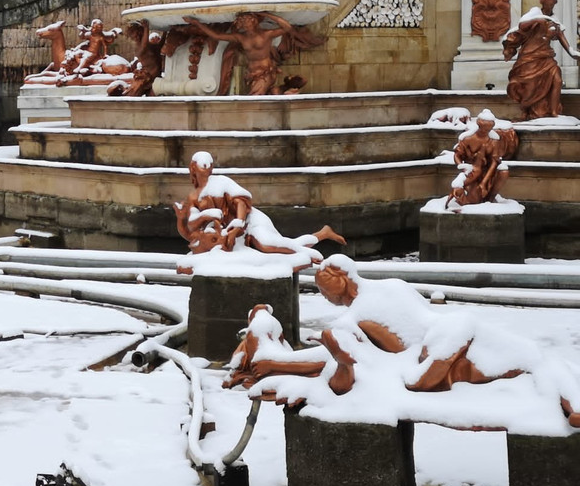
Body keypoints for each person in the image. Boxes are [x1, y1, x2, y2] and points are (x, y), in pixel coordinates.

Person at [226, 255, 580, 426]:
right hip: (450, 337)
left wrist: (272, 362)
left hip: (443, 350)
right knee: (531, 359)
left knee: (529, 361)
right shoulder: (391, 285)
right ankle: (572, 403)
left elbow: (326, 357)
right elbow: (336, 357)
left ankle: (572, 404)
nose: (325, 296)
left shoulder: (354, 317)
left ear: (342, 281)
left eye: (324, 289)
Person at [174, 151, 344, 259]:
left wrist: (239, 222)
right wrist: (195, 216)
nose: (206, 166)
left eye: (208, 164)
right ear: (193, 167)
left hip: (251, 220)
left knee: (267, 245)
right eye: (202, 164)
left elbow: (240, 201)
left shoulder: (222, 182)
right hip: (231, 232)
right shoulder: (193, 196)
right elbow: (191, 226)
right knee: (279, 244)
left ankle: (307, 253)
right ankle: (322, 234)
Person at [184, 11, 322, 95]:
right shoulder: (241, 38)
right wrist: (197, 23)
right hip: (252, 74)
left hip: (265, 72)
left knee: (256, 97)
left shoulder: (267, 35)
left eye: (248, 22)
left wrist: (267, 15)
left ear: (255, 22)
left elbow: (287, 27)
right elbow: (217, 36)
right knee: (261, 95)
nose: (245, 25)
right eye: (243, 23)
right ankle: (277, 94)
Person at [503, 0, 579, 120]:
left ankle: (554, 111)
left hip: (546, 57)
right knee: (531, 87)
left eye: (552, 3)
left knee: (557, 80)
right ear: (542, 2)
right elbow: (522, 25)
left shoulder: (553, 20)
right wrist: (538, 19)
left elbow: (561, 37)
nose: (549, 6)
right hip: (530, 58)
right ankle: (528, 109)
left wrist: (572, 52)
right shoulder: (535, 12)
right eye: (547, 3)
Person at [447, 109, 517, 208]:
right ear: (479, 126)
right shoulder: (467, 138)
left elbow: (494, 163)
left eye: (488, 129)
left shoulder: (493, 140)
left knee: (504, 172)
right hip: (471, 172)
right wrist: (461, 166)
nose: (486, 132)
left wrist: (484, 183)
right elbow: (457, 155)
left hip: (488, 172)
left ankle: (490, 198)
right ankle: (461, 195)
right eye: (484, 129)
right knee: (474, 199)